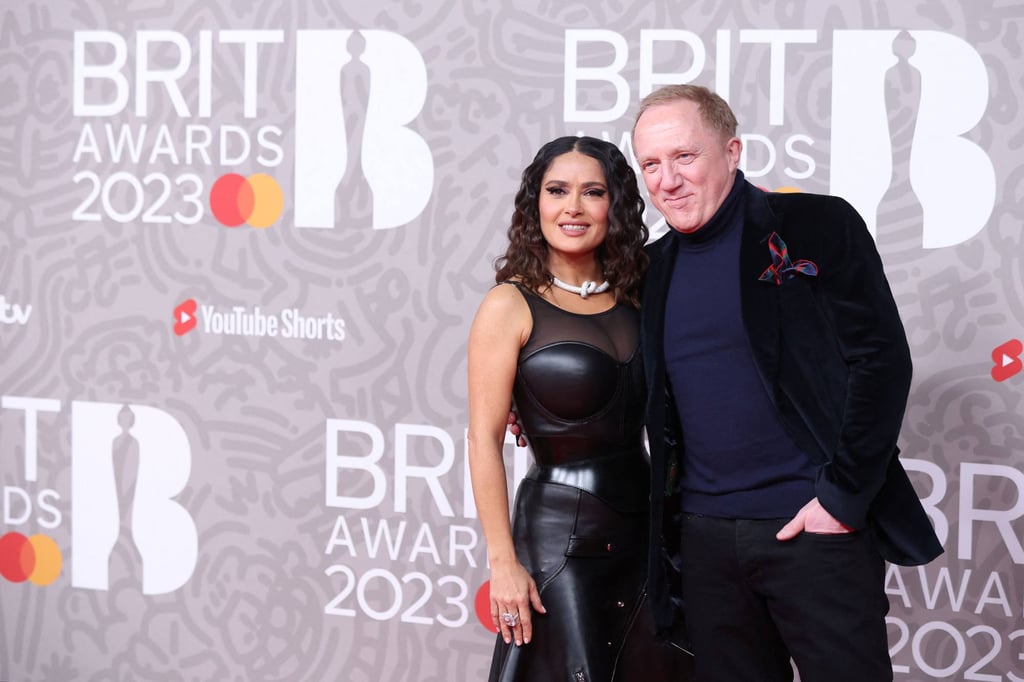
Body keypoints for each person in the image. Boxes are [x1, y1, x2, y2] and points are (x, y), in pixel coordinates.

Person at [632, 84, 943, 682]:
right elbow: (629, 383)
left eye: (685, 157)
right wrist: (528, 406)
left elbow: (881, 361)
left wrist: (841, 501)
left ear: (733, 151)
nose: (667, 179)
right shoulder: (651, 268)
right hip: (705, 542)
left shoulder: (814, 226)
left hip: (814, 531)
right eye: (651, 164)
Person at [467, 135, 694, 682]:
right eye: (556, 190)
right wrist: (503, 562)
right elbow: (483, 439)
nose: (572, 207)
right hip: (557, 541)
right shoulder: (510, 304)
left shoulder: (641, 297)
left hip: (646, 535)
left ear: (614, 206)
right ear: (535, 204)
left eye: (592, 192)